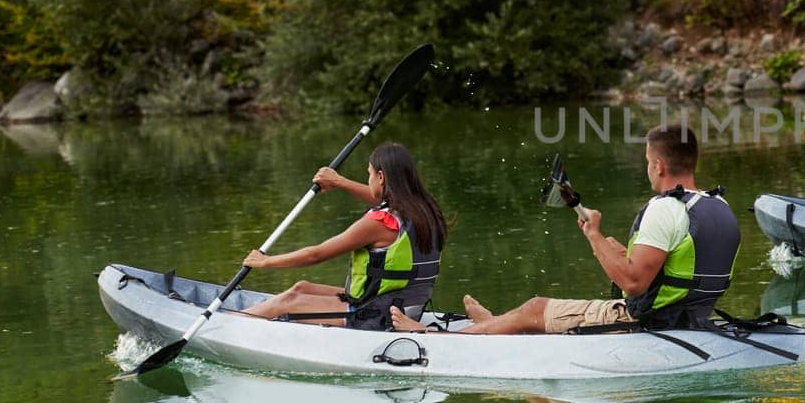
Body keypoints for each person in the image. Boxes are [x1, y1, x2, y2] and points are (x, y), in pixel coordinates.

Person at [393, 124, 740, 335]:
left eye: (647, 162)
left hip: (647, 322)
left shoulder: (665, 209)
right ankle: (496, 324)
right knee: (529, 316)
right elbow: (673, 271)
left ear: (659, 165)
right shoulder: (717, 206)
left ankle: (432, 336)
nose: (648, 169)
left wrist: (593, 237)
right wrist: (604, 242)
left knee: (535, 306)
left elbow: (633, 283)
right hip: (692, 317)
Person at [238, 142, 447, 329]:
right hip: (400, 306)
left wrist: (266, 261)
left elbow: (316, 254)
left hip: (375, 315)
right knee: (302, 287)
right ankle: (244, 318)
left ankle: (230, 324)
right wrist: (339, 182)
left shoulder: (379, 224)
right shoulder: (425, 211)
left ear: (381, 177)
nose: (369, 179)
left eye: (370, 174)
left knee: (287, 302)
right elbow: (378, 196)